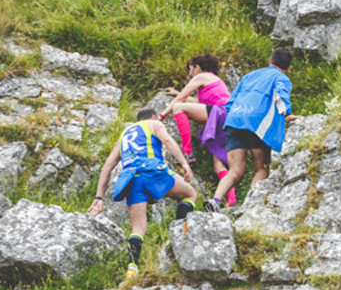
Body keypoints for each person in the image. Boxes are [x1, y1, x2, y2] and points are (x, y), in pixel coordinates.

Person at [88, 109, 197, 267]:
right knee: (190, 194)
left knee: (138, 229)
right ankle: (180, 238)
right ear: (153, 117)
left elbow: (106, 167)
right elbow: (166, 140)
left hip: (132, 179)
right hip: (153, 170)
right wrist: (184, 163)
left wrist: (99, 198)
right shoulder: (154, 124)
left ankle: (132, 268)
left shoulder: (123, 136)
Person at [204, 47, 296, 213]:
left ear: (270, 61)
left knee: (235, 170)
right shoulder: (281, 78)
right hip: (256, 122)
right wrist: (287, 113)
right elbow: (281, 96)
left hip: (234, 120)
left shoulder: (249, 76)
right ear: (289, 68)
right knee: (261, 168)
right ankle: (249, 206)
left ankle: (215, 200)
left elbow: (231, 102)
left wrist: (234, 117)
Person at [160, 53, 237, 207]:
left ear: (197, 67)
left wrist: (162, 115)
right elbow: (198, 102)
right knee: (218, 164)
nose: (190, 74)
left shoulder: (202, 76)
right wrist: (177, 93)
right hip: (228, 118)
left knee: (179, 108)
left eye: (191, 69)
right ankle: (232, 200)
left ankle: (187, 150)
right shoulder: (214, 80)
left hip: (220, 113)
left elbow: (181, 99)